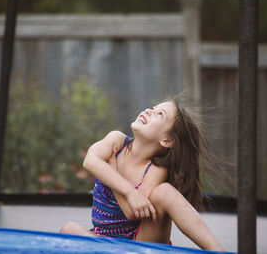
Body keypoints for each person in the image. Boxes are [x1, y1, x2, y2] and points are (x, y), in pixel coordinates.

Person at [60, 98, 225, 252]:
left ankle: (218, 251)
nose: (148, 111)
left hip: (140, 243)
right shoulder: (116, 140)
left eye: (159, 114)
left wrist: (113, 170)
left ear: (167, 141)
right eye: (153, 108)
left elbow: (132, 212)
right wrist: (129, 191)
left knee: (164, 191)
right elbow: (90, 161)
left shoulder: (156, 170)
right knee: (69, 229)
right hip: (103, 240)